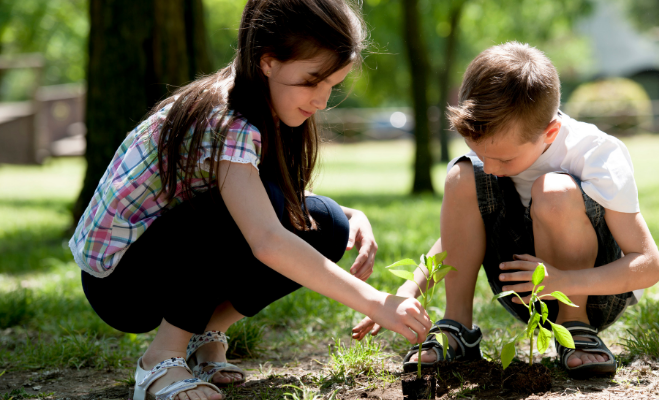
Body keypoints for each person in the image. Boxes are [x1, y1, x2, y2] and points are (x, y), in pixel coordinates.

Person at [70, 1, 432, 399]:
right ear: (268, 62)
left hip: (159, 259)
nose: (322, 101)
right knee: (242, 218)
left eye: (332, 85)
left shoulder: (261, 108)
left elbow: (265, 196)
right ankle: (160, 361)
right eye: (312, 81)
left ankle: (206, 335)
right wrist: (376, 302)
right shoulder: (228, 119)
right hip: (121, 282)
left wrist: (351, 214)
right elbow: (265, 238)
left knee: (327, 223)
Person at [352, 42, 659, 380]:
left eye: (504, 159)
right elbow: (457, 238)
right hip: (523, 285)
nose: (493, 168)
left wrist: (563, 280)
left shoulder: (596, 154)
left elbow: (648, 266)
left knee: (553, 188)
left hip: (593, 290)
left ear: (551, 132)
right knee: (463, 174)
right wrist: (409, 290)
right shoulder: (494, 155)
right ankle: (458, 326)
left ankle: (576, 329)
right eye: (481, 152)